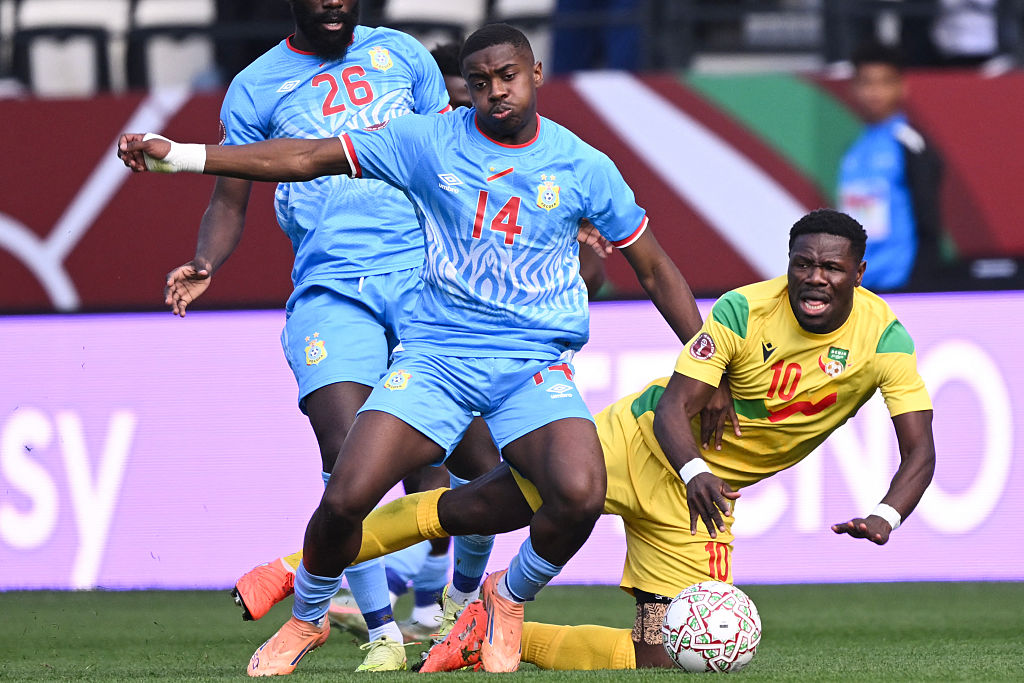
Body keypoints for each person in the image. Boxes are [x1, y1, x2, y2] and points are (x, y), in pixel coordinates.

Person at [118, 23, 717, 675]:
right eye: (481, 82)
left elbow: (655, 269)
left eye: (507, 77)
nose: (494, 92)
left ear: (537, 74)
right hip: (437, 360)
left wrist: (707, 361)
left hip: (530, 366)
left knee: (579, 492)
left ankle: (500, 600)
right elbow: (304, 158)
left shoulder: (584, 167)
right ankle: (309, 616)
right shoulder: (427, 142)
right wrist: (179, 155)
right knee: (345, 490)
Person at [219, 208, 936, 672]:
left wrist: (886, 514)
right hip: (640, 446)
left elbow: (920, 450)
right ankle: (292, 564)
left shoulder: (884, 338)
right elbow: (673, 409)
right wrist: (691, 468)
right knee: (471, 508)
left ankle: (490, 636)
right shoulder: (746, 309)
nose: (814, 279)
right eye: (803, 264)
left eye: (831, 268)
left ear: (857, 274)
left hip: (698, 505)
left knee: (664, 656)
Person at [162, 0, 458, 671]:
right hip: (331, 291)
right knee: (348, 452)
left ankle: (437, 610)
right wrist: (207, 260)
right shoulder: (256, 86)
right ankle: (379, 630)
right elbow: (229, 198)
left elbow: (452, 161)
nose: (333, 2)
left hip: (422, 277)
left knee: (434, 458)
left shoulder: (405, 56)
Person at [838, 41, 945, 292]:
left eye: (884, 82)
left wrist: (921, 284)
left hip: (903, 284)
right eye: (867, 82)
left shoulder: (909, 143)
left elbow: (929, 222)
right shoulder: (853, 151)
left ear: (902, 87)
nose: (875, 92)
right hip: (862, 288)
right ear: (853, 88)